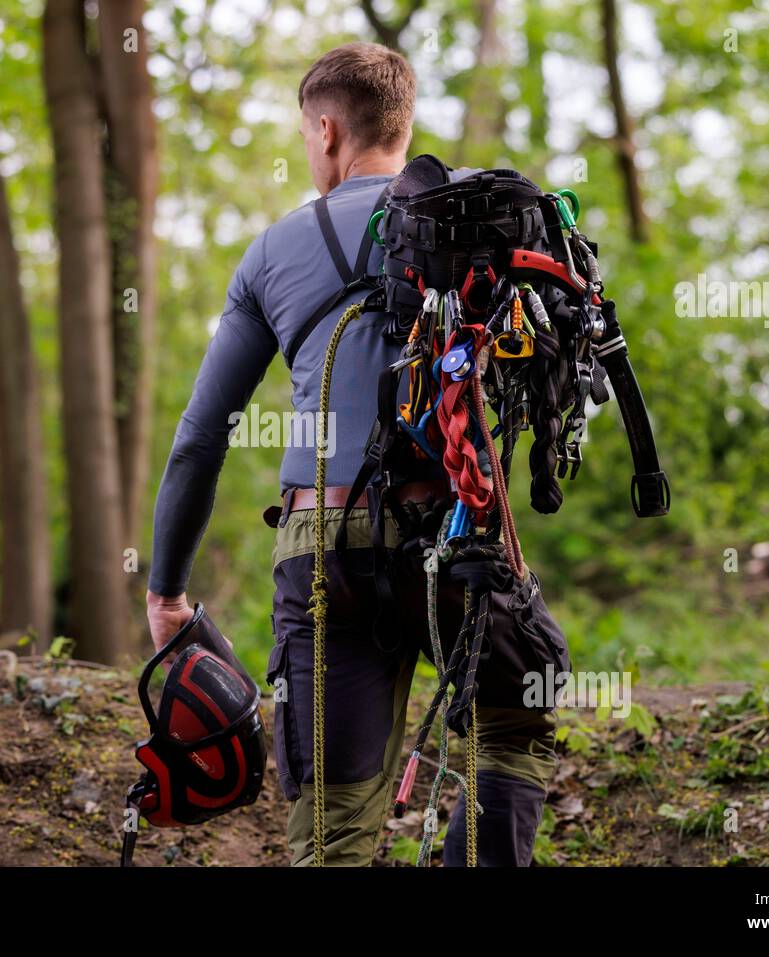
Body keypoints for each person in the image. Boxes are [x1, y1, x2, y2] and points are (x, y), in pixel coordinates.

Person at [146, 41, 557, 867]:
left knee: (332, 821)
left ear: (327, 129)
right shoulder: (473, 226)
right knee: (514, 719)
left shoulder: (271, 253)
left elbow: (200, 437)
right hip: (456, 542)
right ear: (403, 127)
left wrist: (168, 589)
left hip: (322, 549)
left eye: (306, 134)